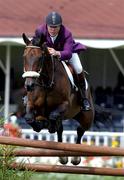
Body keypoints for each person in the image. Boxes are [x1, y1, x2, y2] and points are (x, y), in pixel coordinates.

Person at [32, 11, 91, 111]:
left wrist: (57, 53)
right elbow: (34, 45)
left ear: (60, 26)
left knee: (78, 68)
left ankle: (83, 97)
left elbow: (68, 52)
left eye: (56, 27)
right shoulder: (40, 31)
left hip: (66, 53)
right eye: (50, 27)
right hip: (47, 54)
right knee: (35, 65)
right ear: (47, 25)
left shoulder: (67, 33)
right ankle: (30, 93)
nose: (53, 30)